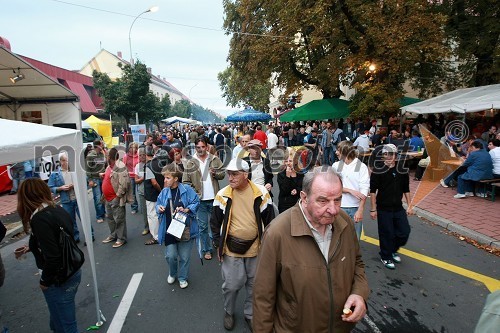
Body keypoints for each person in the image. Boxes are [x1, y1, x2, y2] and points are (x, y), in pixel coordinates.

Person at [253, 166, 369, 332]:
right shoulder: (277, 233)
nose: (334, 209)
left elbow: (357, 263)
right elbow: (263, 296)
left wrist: (359, 293)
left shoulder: (345, 222)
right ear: (304, 198)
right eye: (323, 201)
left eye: (337, 199)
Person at [210, 158, 275, 331]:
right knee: (231, 285)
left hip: (256, 249)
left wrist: (270, 248)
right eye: (229, 174)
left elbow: (270, 222)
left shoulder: (260, 193)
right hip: (231, 248)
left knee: (255, 286)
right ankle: (229, 312)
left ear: (246, 175)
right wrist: (218, 244)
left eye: (234, 174)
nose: (230, 178)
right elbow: (215, 223)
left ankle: (250, 314)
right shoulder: (223, 194)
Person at [16, 178, 82, 333]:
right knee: (58, 322)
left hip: (58, 278)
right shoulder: (56, 208)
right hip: (72, 270)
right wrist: (32, 247)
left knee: (66, 325)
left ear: (27, 197)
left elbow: (53, 256)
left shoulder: (39, 218)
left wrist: (44, 281)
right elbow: (61, 238)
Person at [370, 144, 414, 269]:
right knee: (386, 233)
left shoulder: (402, 169)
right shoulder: (378, 170)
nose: (388, 157)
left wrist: (410, 206)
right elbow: (372, 191)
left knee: (404, 232)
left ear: (395, 155)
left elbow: (406, 189)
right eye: (386, 154)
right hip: (383, 208)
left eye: (391, 154)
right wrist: (373, 209)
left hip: (398, 207)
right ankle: (386, 256)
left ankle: (393, 249)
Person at [156, 163, 200, 289]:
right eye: (164, 177)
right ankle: (172, 273)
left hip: (185, 229)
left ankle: (182, 277)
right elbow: (158, 204)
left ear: (176, 178)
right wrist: (159, 208)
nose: (165, 180)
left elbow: (196, 202)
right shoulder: (164, 192)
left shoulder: (187, 190)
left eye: (168, 178)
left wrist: (186, 209)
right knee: (170, 256)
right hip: (170, 229)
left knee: (185, 257)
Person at [183, 137, 225, 260]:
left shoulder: (214, 159)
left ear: (207, 147)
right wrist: (194, 193)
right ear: (195, 148)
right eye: (198, 147)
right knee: (202, 227)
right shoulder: (191, 162)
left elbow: (222, 174)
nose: (201, 149)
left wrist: (215, 174)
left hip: (214, 199)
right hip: (199, 201)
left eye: (203, 147)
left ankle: (217, 244)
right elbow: (185, 181)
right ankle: (206, 249)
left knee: (216, 225)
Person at [333, 141, 370, 240]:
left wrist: (360, 210)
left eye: (338, 150)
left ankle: (353, 256)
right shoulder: (337, 165)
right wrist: (350, 191)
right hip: (339, 207)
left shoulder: (360, 166)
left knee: (355, 240)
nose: (336, 152)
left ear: (345, 152)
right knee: (338, 238)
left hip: (355, 208)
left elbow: (364, 189)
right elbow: (333, 187)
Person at [101, 148, 133, 248]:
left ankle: (121, 238)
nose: (105, 157)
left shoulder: (120, 166)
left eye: (107, 156)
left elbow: (124, 183)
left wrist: (118, 195)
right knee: (110, 218)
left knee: (119, 219)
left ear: (110, 157)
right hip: (108, 198)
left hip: (115, 198)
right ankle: (113, 234)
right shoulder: (108, 167)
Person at [144, 149, 169, 245]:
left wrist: (160, 190)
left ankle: (156, 236)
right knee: (163, 213)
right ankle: (164, 232)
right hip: (163, 193)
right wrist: (164, 191)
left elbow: (153, 182)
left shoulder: (149, 165)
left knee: (152, 216)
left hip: (152, 194)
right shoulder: (166, 166)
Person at [85, 139, 106, 223]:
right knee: (97, 198)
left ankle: (103, 213)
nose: (103, 145)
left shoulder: (102, 154)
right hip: (95, 179)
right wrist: (90, 180)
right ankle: (99, 216)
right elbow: (88, 169)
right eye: (102, 144)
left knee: (103, 196)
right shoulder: (90, 155)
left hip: (102, 178)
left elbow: (104, 165)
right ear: (98, 145)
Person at [134, 147, 149, 236]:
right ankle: (146, 227)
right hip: (142, 191)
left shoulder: (150, 164)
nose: (142, 156)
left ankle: (154, 227)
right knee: (144, 211)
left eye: (143, 155)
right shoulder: (137, 166)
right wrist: (143, 178)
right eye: (140, 155)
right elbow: (136, 180)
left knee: (152, 211)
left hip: (151, 192)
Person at [122, 142, 140, 214]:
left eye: (134, 147)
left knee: (141, 192)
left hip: (138, 176)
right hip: (130, 176)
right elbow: (123, 166)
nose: (132, 149)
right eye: (131, 147)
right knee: (132, 193)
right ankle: (134, 207)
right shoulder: (126, 156)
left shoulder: (138, 156)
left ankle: (143, 205)